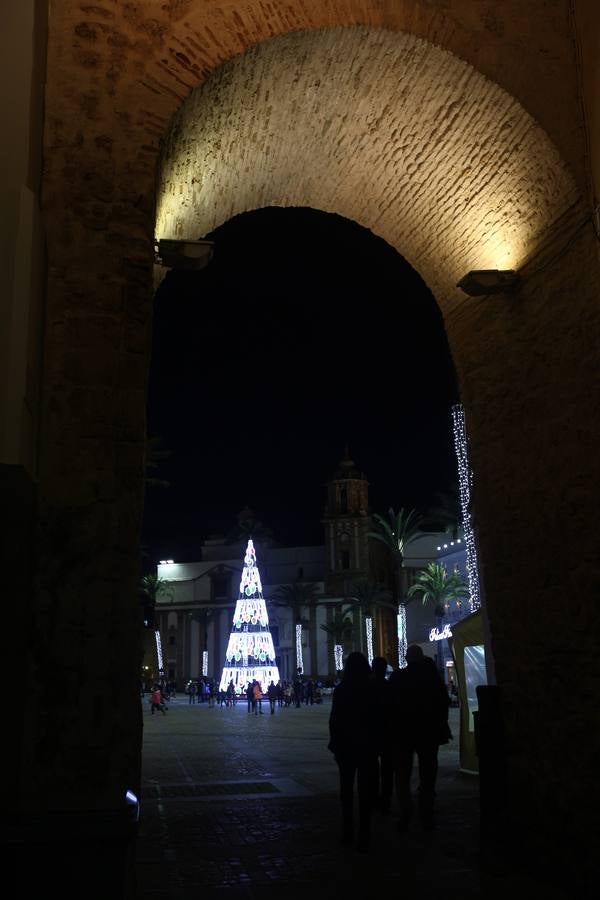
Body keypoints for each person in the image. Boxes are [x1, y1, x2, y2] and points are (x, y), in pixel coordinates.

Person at [389, 644, 451, 832]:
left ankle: (406, 812)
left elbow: (390, 706)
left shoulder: (398, 677)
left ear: (407, 658)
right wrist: (440, 725)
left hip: (404, 733)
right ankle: (427, 813)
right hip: (428, 733)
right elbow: (443, 703)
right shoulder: (432, 678)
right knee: (428, 774)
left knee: (402, 775)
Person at [328, 652, 377, 851]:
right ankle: (365, 832)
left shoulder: (342, 689)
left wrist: (335, 743)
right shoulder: (371, 689)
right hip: (367, 746)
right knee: (366, 791)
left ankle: (347, 830)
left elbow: (335, 719)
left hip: (346, 746)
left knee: (346, 789)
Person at [370, 656, 394, 814]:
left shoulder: (366, 687)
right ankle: (386, 799)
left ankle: (373, 798)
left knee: (372, 769)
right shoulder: (389, 687)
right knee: (387, 770)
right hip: (387, 734)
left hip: (371, 734)